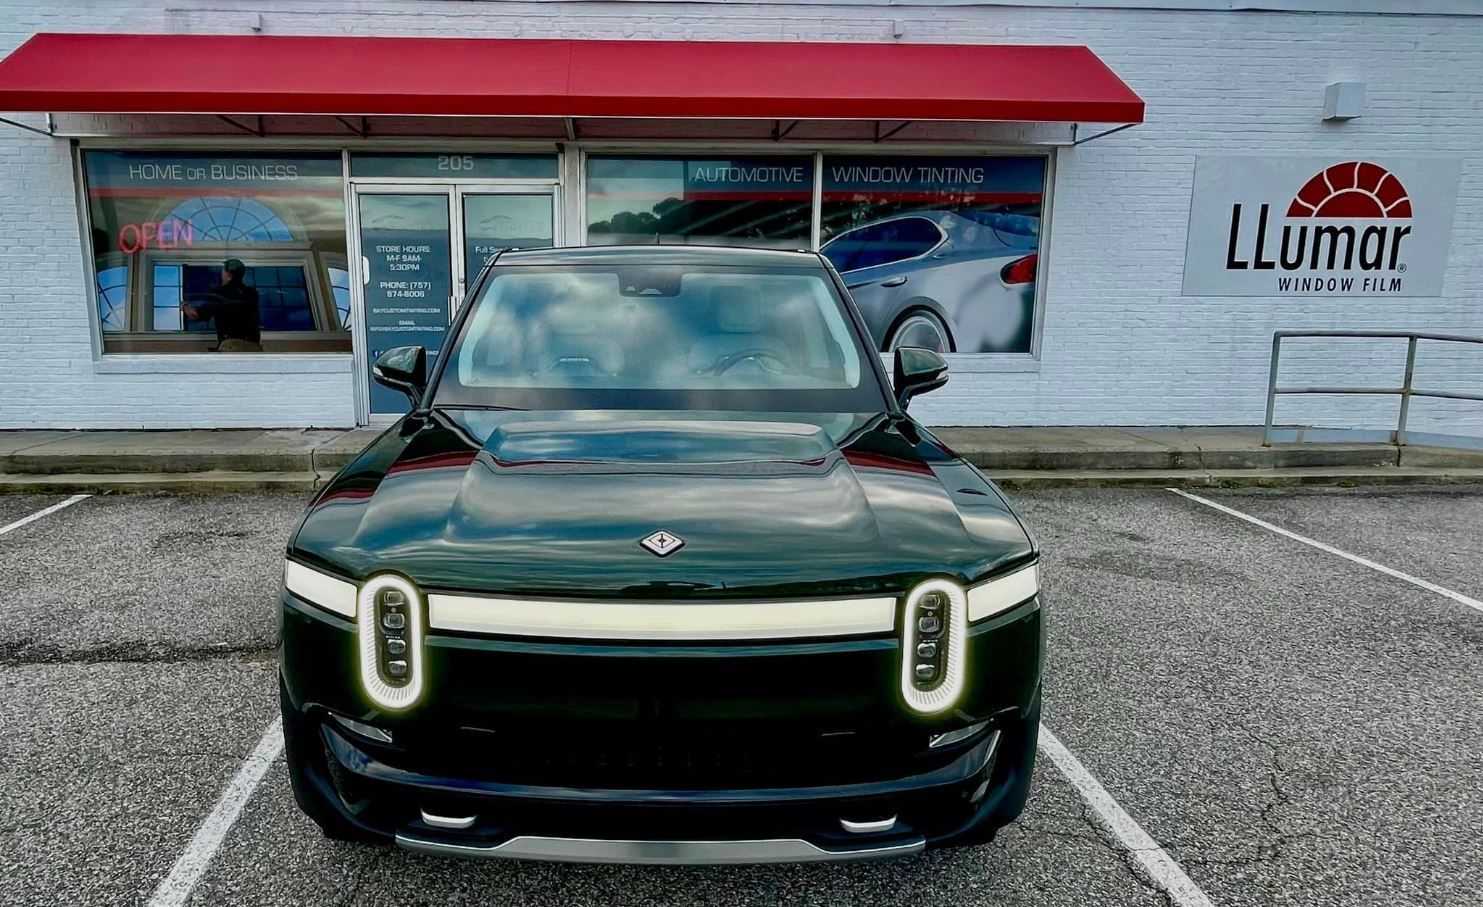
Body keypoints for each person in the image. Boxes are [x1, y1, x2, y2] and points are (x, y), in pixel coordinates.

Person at [183, 259, 262, 352]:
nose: (221, 275)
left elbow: (196, 315)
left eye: (223, 272)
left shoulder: (218, 293)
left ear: (228, 276)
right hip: (253, 347)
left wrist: (184, 307)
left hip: (232, 346)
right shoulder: (252, 293)